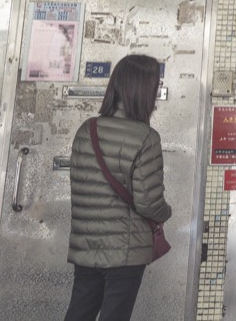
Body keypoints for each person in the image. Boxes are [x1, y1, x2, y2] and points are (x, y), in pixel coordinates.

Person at [64, 54, 172, 321]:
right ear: (143, 91)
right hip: (125, 251)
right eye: (154, 87)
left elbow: (80, 189)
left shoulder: (86, 130)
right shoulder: (145, 137)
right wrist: (166, 212)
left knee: (79, 312)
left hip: (86, 244)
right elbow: (148, 203)